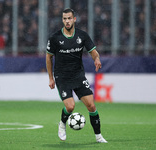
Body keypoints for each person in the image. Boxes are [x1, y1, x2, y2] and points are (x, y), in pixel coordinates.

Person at [46, 8, 107, 143]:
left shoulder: (82, 36)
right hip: (62, 77)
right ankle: (62, 124)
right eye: (64, 19)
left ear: (74, 19)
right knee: (70, 107)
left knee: (91, 106)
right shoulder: (55, 38)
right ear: (62, 20)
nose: (67, 21)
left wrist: (96, 58)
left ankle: (98, 136)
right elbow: (48, 57)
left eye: (69, 18)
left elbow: (93, 51)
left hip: (78, 76)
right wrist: (51, 78)